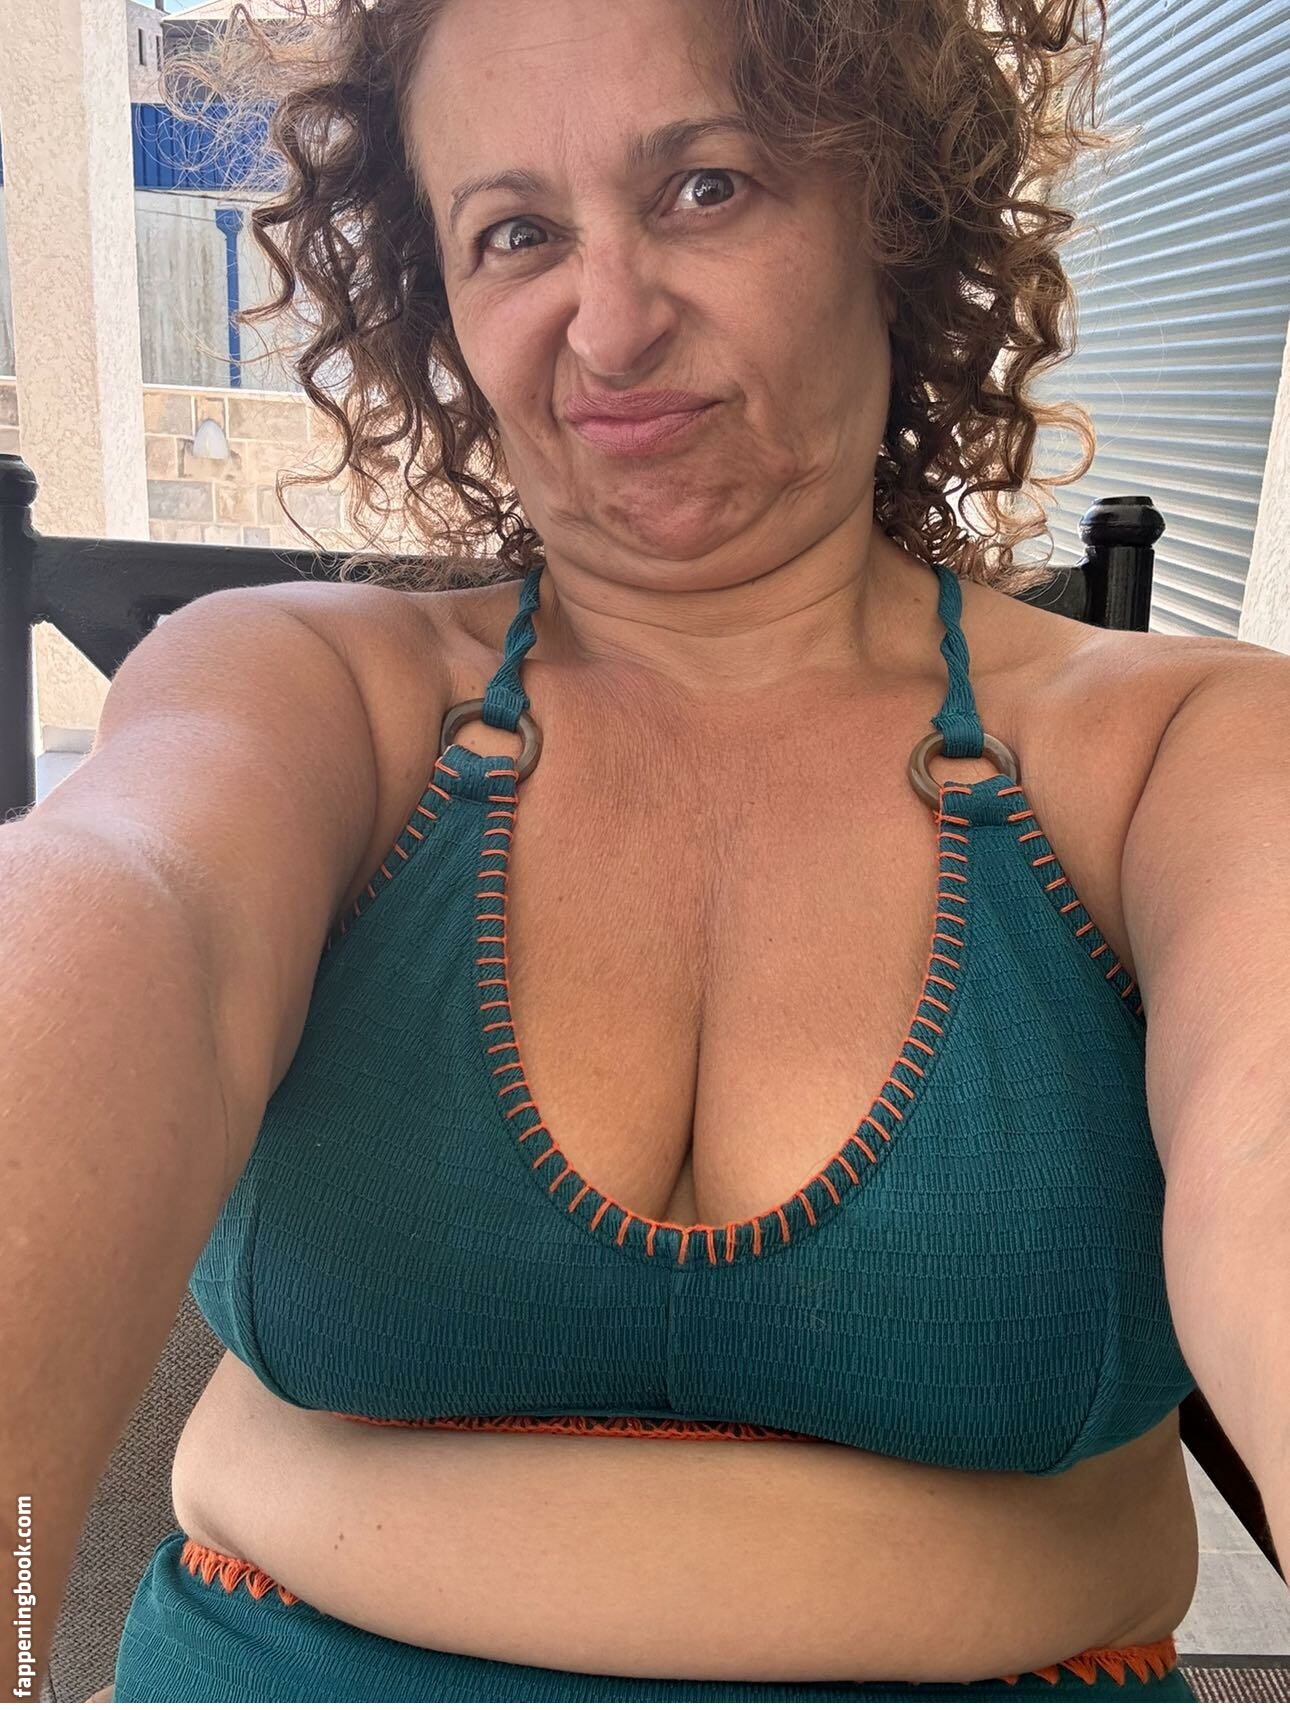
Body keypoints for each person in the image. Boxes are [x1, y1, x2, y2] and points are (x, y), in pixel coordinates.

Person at [7, 0, 1289, 1700]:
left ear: (894, 215)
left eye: (706, 187)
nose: (607, 327)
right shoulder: (302, 691)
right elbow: (120, 913)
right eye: (515, 232)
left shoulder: (1182, 750)